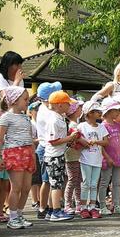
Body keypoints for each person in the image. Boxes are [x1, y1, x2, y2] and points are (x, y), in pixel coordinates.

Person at [0, 86, 35, 229]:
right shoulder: (5, 117)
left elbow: (30, 137)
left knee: (26, 187)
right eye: (25, 99)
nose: (27, 102)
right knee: (16, 187)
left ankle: (19, 214)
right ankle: (12, 217)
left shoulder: (26, 117)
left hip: (28, 152)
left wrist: (33, 155)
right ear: (14, 100)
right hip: (14, 153)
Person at [44, 91, 77, 222]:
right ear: (60, 105)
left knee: (56, 183)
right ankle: (56, 211)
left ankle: (52, 210)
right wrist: (70, 137)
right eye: (67, 104)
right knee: (56, 184)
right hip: (54, 156)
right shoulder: (53, 119)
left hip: (58, 154)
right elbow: (53, 140)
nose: (70, 106)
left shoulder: (58, 117)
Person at [34, 81, 62, 219]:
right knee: (47, 180)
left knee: (51, 180)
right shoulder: (47, 113)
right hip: (46, 148)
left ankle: (50, 207)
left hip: (48, 147)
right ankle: (43, 208)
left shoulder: (46, 110)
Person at [77, 101, 109, 219]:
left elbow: (106, 142)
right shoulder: (82, 126)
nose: (99, 113)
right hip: (85, 159)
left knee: (94, 184)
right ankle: (83, 207)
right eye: (96, 111)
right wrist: (84, 143)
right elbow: (77, 138)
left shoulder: (101, 127)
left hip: (97, 160)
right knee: (86, 183)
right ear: (89, 113)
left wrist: (96, 141)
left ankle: (93, 206)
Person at [98, 99, 120, 216]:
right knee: (104, 182)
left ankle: (116, 205)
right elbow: (101, 145)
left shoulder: (118, 125)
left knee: (117, 183)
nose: (117, 112)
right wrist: (107, 158)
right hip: (108, 158)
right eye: (115, 110)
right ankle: (102, 205)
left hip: (118, 157)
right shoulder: (102, 126)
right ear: (108, 111)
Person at [64, 100, 84, 215]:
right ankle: (68, 204)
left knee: (77, 180)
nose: (81, 110)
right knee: (73, 180)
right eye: (79, 108)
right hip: (72, 156)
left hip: (77, 155)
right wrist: (87, 143)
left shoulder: (75, 124)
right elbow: (78, 140)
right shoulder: (73, 125)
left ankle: (78, 203)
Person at [28, 101, 42, 212]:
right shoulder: (30, 124)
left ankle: (41, 199)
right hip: (34, 152)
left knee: (41, 178)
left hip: (42, 152)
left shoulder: (42, 122)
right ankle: (34, 200)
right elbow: (30, 139)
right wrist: (39, 140)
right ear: (31, 112)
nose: (38, 112)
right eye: (36, 110)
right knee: (34, 178)